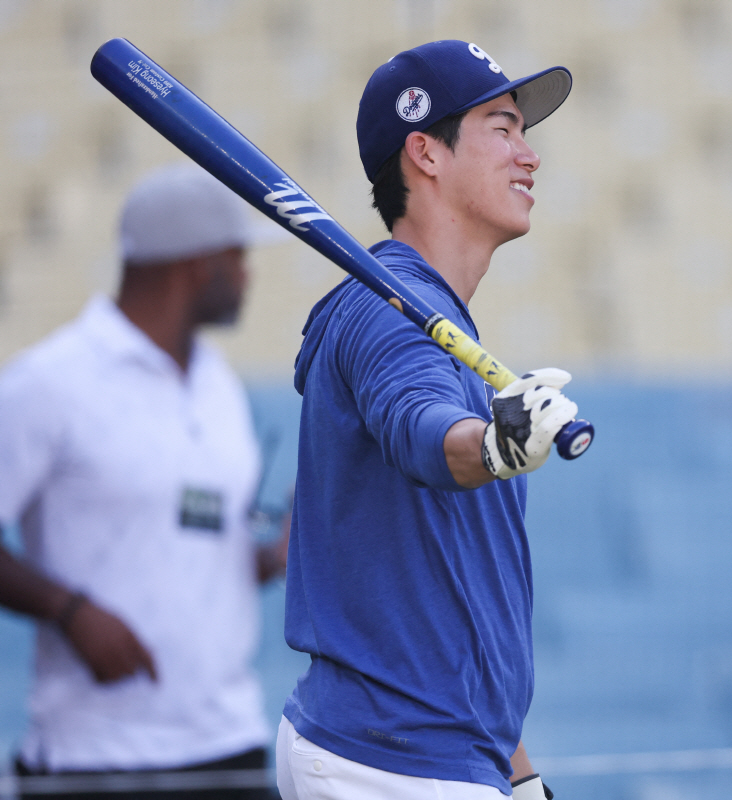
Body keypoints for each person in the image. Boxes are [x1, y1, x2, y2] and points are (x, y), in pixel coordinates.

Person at [275, 40, 581, 800]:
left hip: (436, 758)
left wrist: (522, 773)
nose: (530, 156)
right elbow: (428, 434)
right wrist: (497, 445)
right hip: (390, 767)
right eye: (504, 128)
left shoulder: (434, 314)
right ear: (426, 152)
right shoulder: (386, 311)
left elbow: (458, 600)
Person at [0, 163, 289, 800]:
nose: (248, 276)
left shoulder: (218, 385)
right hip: (93, 760)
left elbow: (201, 543)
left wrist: (277, 555)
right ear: (195, 264)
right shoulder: (49, 384)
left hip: (229, 748)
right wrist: (68, 611)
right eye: (238, 258)